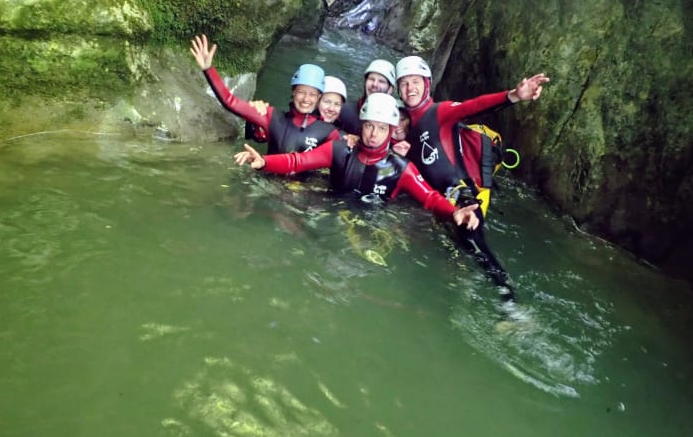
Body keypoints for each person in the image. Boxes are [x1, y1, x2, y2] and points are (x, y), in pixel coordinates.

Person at [395, 55, 550, 300]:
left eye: (415, 81)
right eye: (404, 83)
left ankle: (510, 303)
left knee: (473, 244)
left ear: (426, 84)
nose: (410, 88)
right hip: (439, 203)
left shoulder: (439, 112)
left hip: (464, 198)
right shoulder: (404, 128)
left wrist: (513, 96)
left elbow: (474, 106)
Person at [234, 93, 481, 233]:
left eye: (382, 128)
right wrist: (264, 161)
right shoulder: (339, 150)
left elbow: (429, 198)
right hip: (329, 210)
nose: (374, 133)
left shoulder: (401, 168)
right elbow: (298, 161)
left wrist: (454, 212)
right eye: (369, 125)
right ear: (361, 126)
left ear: (391, 131)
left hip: (374, 223)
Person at [190, 34, 339, 153]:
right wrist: (208, 68)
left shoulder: (328, 132)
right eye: (301, 92)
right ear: (293, 92)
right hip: (269, 183)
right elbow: (230, 101)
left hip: (306, 190)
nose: (306, 99)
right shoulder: (272, 117)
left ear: (319, 97)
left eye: (312, 94)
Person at [336, 59, 397, 134]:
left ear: (390, 89)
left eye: (381, 81)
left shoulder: (396, 121)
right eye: (371, 79)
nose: (375, 84)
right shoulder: (345, 111)